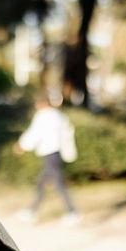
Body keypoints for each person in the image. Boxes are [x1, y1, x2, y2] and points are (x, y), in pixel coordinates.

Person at [14, 94, 81, 225]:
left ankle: (72, 212)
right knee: (42, 183)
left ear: (41, 104)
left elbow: (35, 133)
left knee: (58, 183)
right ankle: (33, 211)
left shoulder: (44, 116)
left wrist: (22, 146)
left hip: (50, 152)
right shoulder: (59, 116)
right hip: (56, 153)